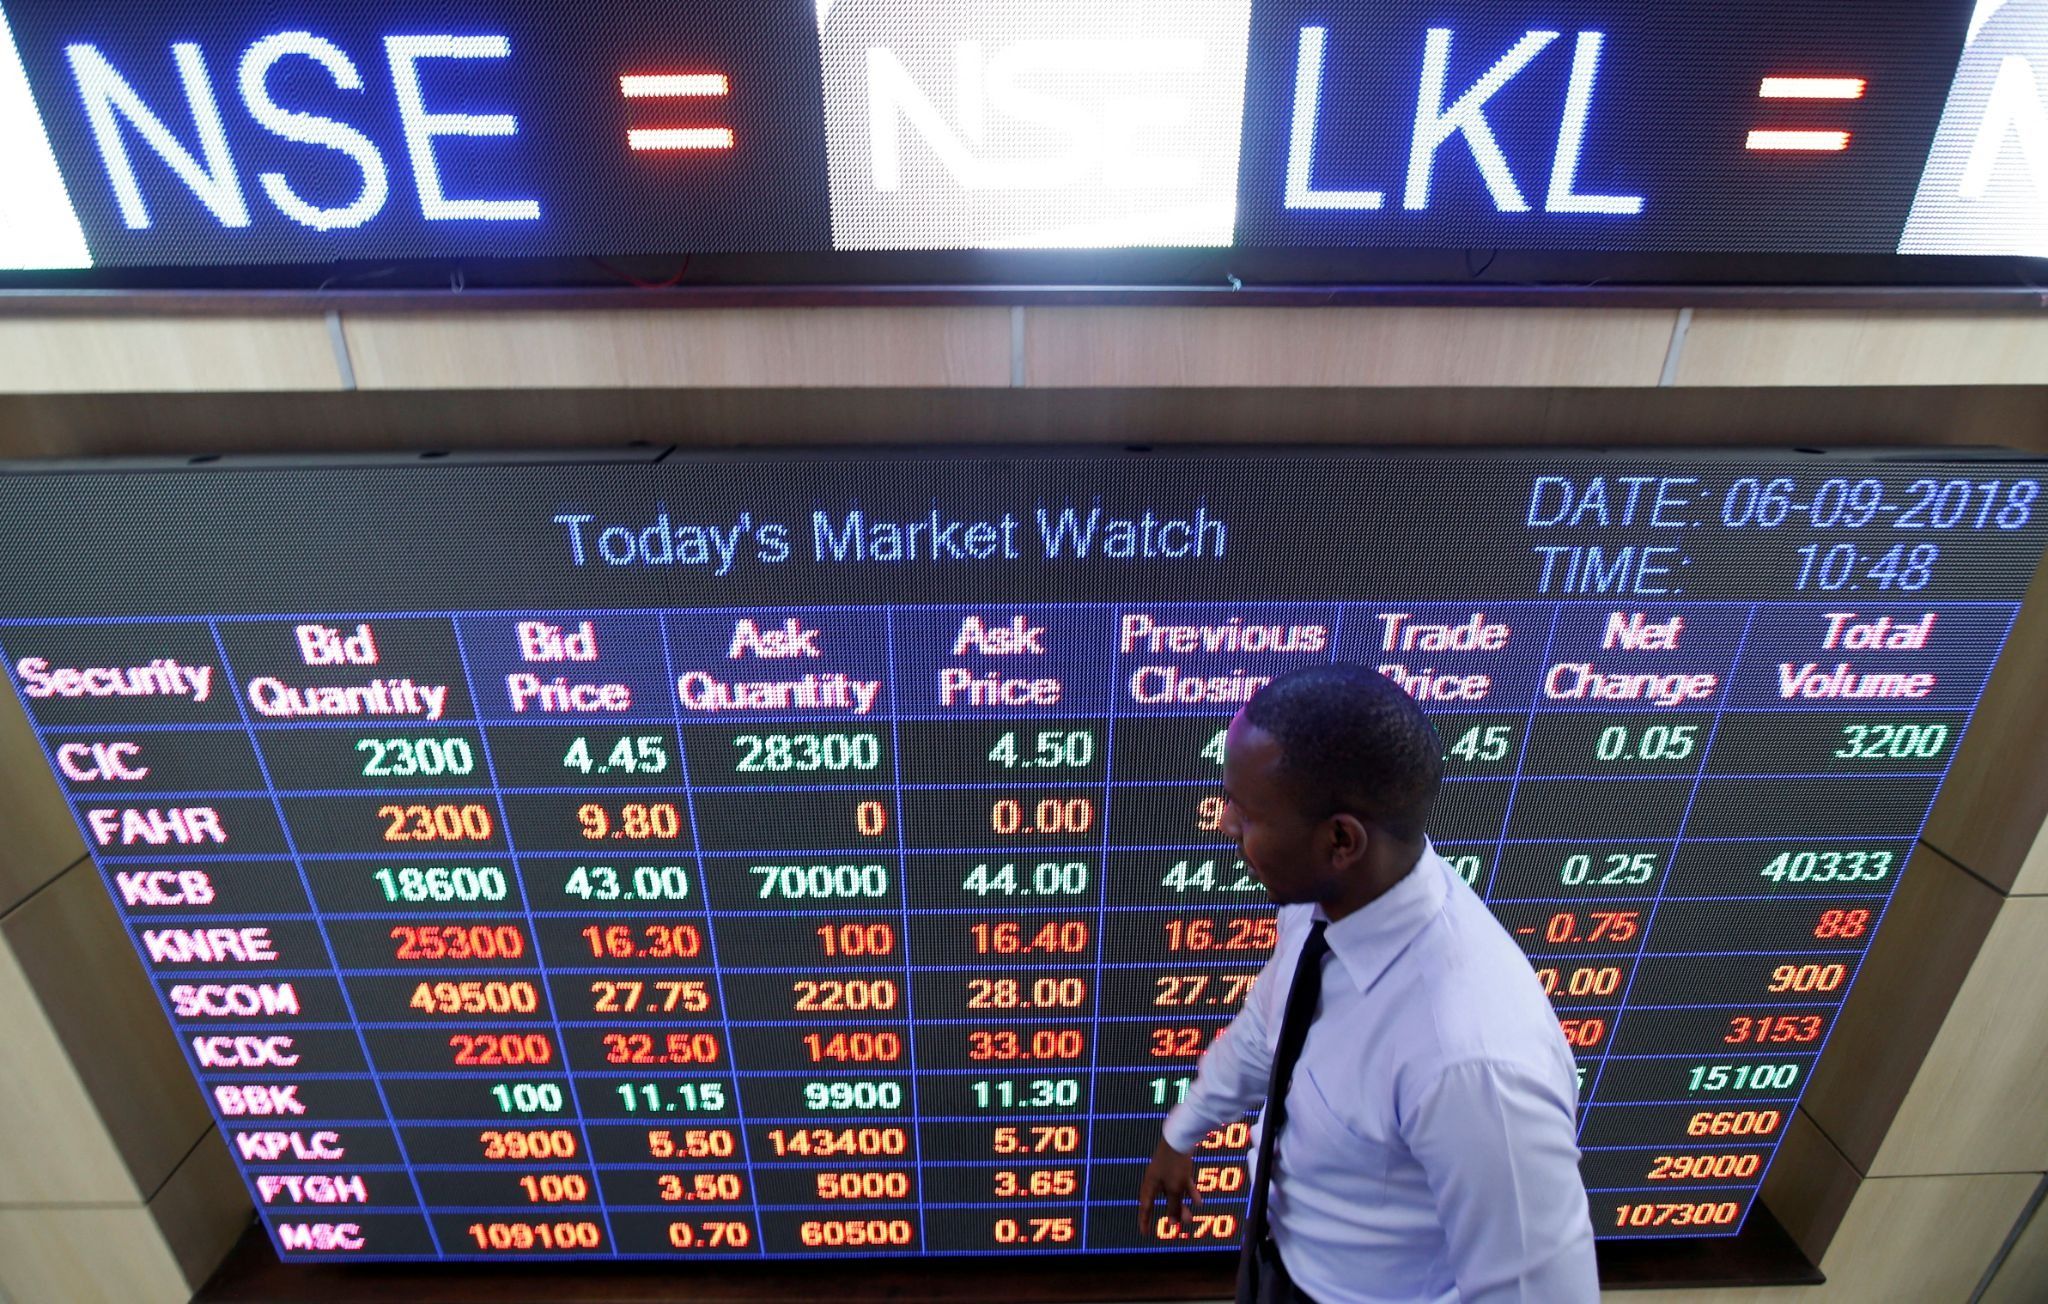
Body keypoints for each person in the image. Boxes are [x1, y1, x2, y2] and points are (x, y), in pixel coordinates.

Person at [1138, 664, 1598, 1304]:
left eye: (1246, 814)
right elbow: (1266, 1029)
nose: (1224, 828)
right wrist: (1183, 1130)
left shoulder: (1473, 1064)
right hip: (1279, 1263)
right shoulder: (1321, 908)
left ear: (1340, 840)